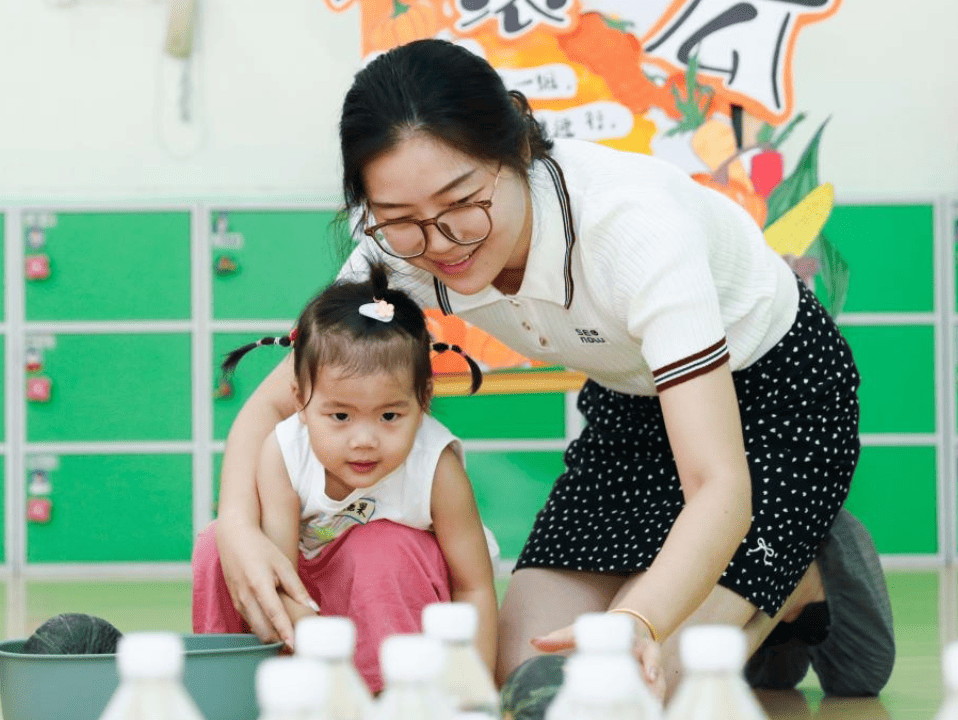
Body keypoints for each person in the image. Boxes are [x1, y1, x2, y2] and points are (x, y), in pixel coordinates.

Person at [209, 38, 895, 700]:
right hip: (635, 399)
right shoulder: (400, 253)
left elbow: (717, 482)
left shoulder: (633, 229)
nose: (440, 244)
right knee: (529, 677)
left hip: (778, 396)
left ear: (518, 149)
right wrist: (237, 523)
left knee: (629, 684)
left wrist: (638, 620)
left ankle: (802, 572)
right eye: (400, 219)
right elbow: (279, 401)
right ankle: (756, 600)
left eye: (463, 205)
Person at [192, 263, 498, 693]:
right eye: (339, 416)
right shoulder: (282, 451)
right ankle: (235, 688)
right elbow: (283, 576)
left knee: (378, 547)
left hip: (402, 596)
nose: (364, 440)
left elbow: (475, 588)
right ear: (299, 400)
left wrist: (476, 694)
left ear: (424, 400)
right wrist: (309, 655)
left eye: (390, 415)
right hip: (314, 591)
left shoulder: (437, 468)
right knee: (216, 544)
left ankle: (391, 695)